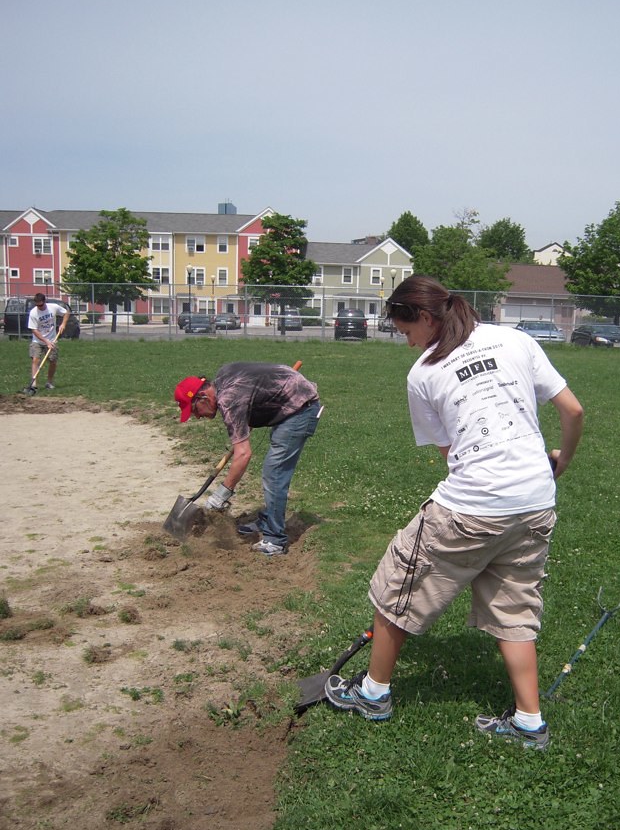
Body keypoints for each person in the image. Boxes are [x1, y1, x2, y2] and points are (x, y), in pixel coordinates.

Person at [324, 275, 584, 750]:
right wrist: (560, 463)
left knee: (396, 587)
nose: (408, 344)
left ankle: (373, 693)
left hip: (471, 509)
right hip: (535, 504)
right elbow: (573, 411)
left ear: (425, 318)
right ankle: (529, 722)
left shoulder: (424, 372)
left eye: (406, 332)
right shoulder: (514, 339)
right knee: (516, 607)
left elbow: (450, 453)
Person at [173, 362, 322, 556]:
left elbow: (243, 453)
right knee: (273, 470)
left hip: (301, 409)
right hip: (290, 400)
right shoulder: (223, 379)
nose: (197, 417)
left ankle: (275, 540)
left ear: (203, 397)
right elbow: (250, 389)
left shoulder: (228, 399)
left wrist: (221, 495)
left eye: (194, 411)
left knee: (274, 472)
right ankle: (268, 520)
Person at [28, 293, 70, 390]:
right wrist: (46, 341)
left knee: (53, 361)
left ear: (45, 302)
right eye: (37, 305)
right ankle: (34, 384)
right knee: (35, 359)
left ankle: (49, 382)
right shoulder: (33, 313)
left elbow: (66, 313)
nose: (39, 307)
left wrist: (63, 324)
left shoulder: (53, 307)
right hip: (37, 341)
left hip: (52, 339)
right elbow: (34, 330)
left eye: (41, 305)